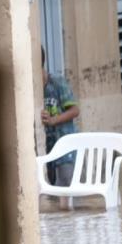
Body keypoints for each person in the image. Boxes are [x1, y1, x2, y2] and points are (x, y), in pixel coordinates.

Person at [40, 46, 80, 186]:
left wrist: (53, 120)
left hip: (65, 144)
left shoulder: (57, 82)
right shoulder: (33, 90)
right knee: (53, 188)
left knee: (67, 183)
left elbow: (75, 110)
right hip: (49, 148)